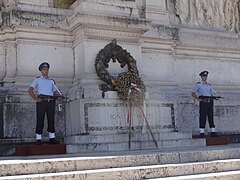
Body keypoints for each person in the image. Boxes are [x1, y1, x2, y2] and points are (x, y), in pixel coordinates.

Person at [28, 62, 60, 144]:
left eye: (47, 69)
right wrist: (35, 98)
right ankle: (38, 138)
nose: (46, 71)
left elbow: (54, 92)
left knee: (51, 119)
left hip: (51, 101)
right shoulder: (37, 80)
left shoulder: (52, 81)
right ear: (41, 71)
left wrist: (59, 96)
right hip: (42, 101)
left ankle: (52, 138)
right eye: (44, 69)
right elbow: (30, 90)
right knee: (40, 119)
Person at [192, 70, 218, 138]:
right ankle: (202, 132)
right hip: (203, 102)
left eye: (206, 76)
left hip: (210, 102)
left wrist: (216, 97)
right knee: (203, 117)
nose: (205, 77)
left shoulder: (209, 85)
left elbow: (213, 93)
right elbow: (193, 93)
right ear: (201, 77)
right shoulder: (198, 85)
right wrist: (198, 99)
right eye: (204, 76)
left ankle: (213, 131)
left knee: (211, 116)